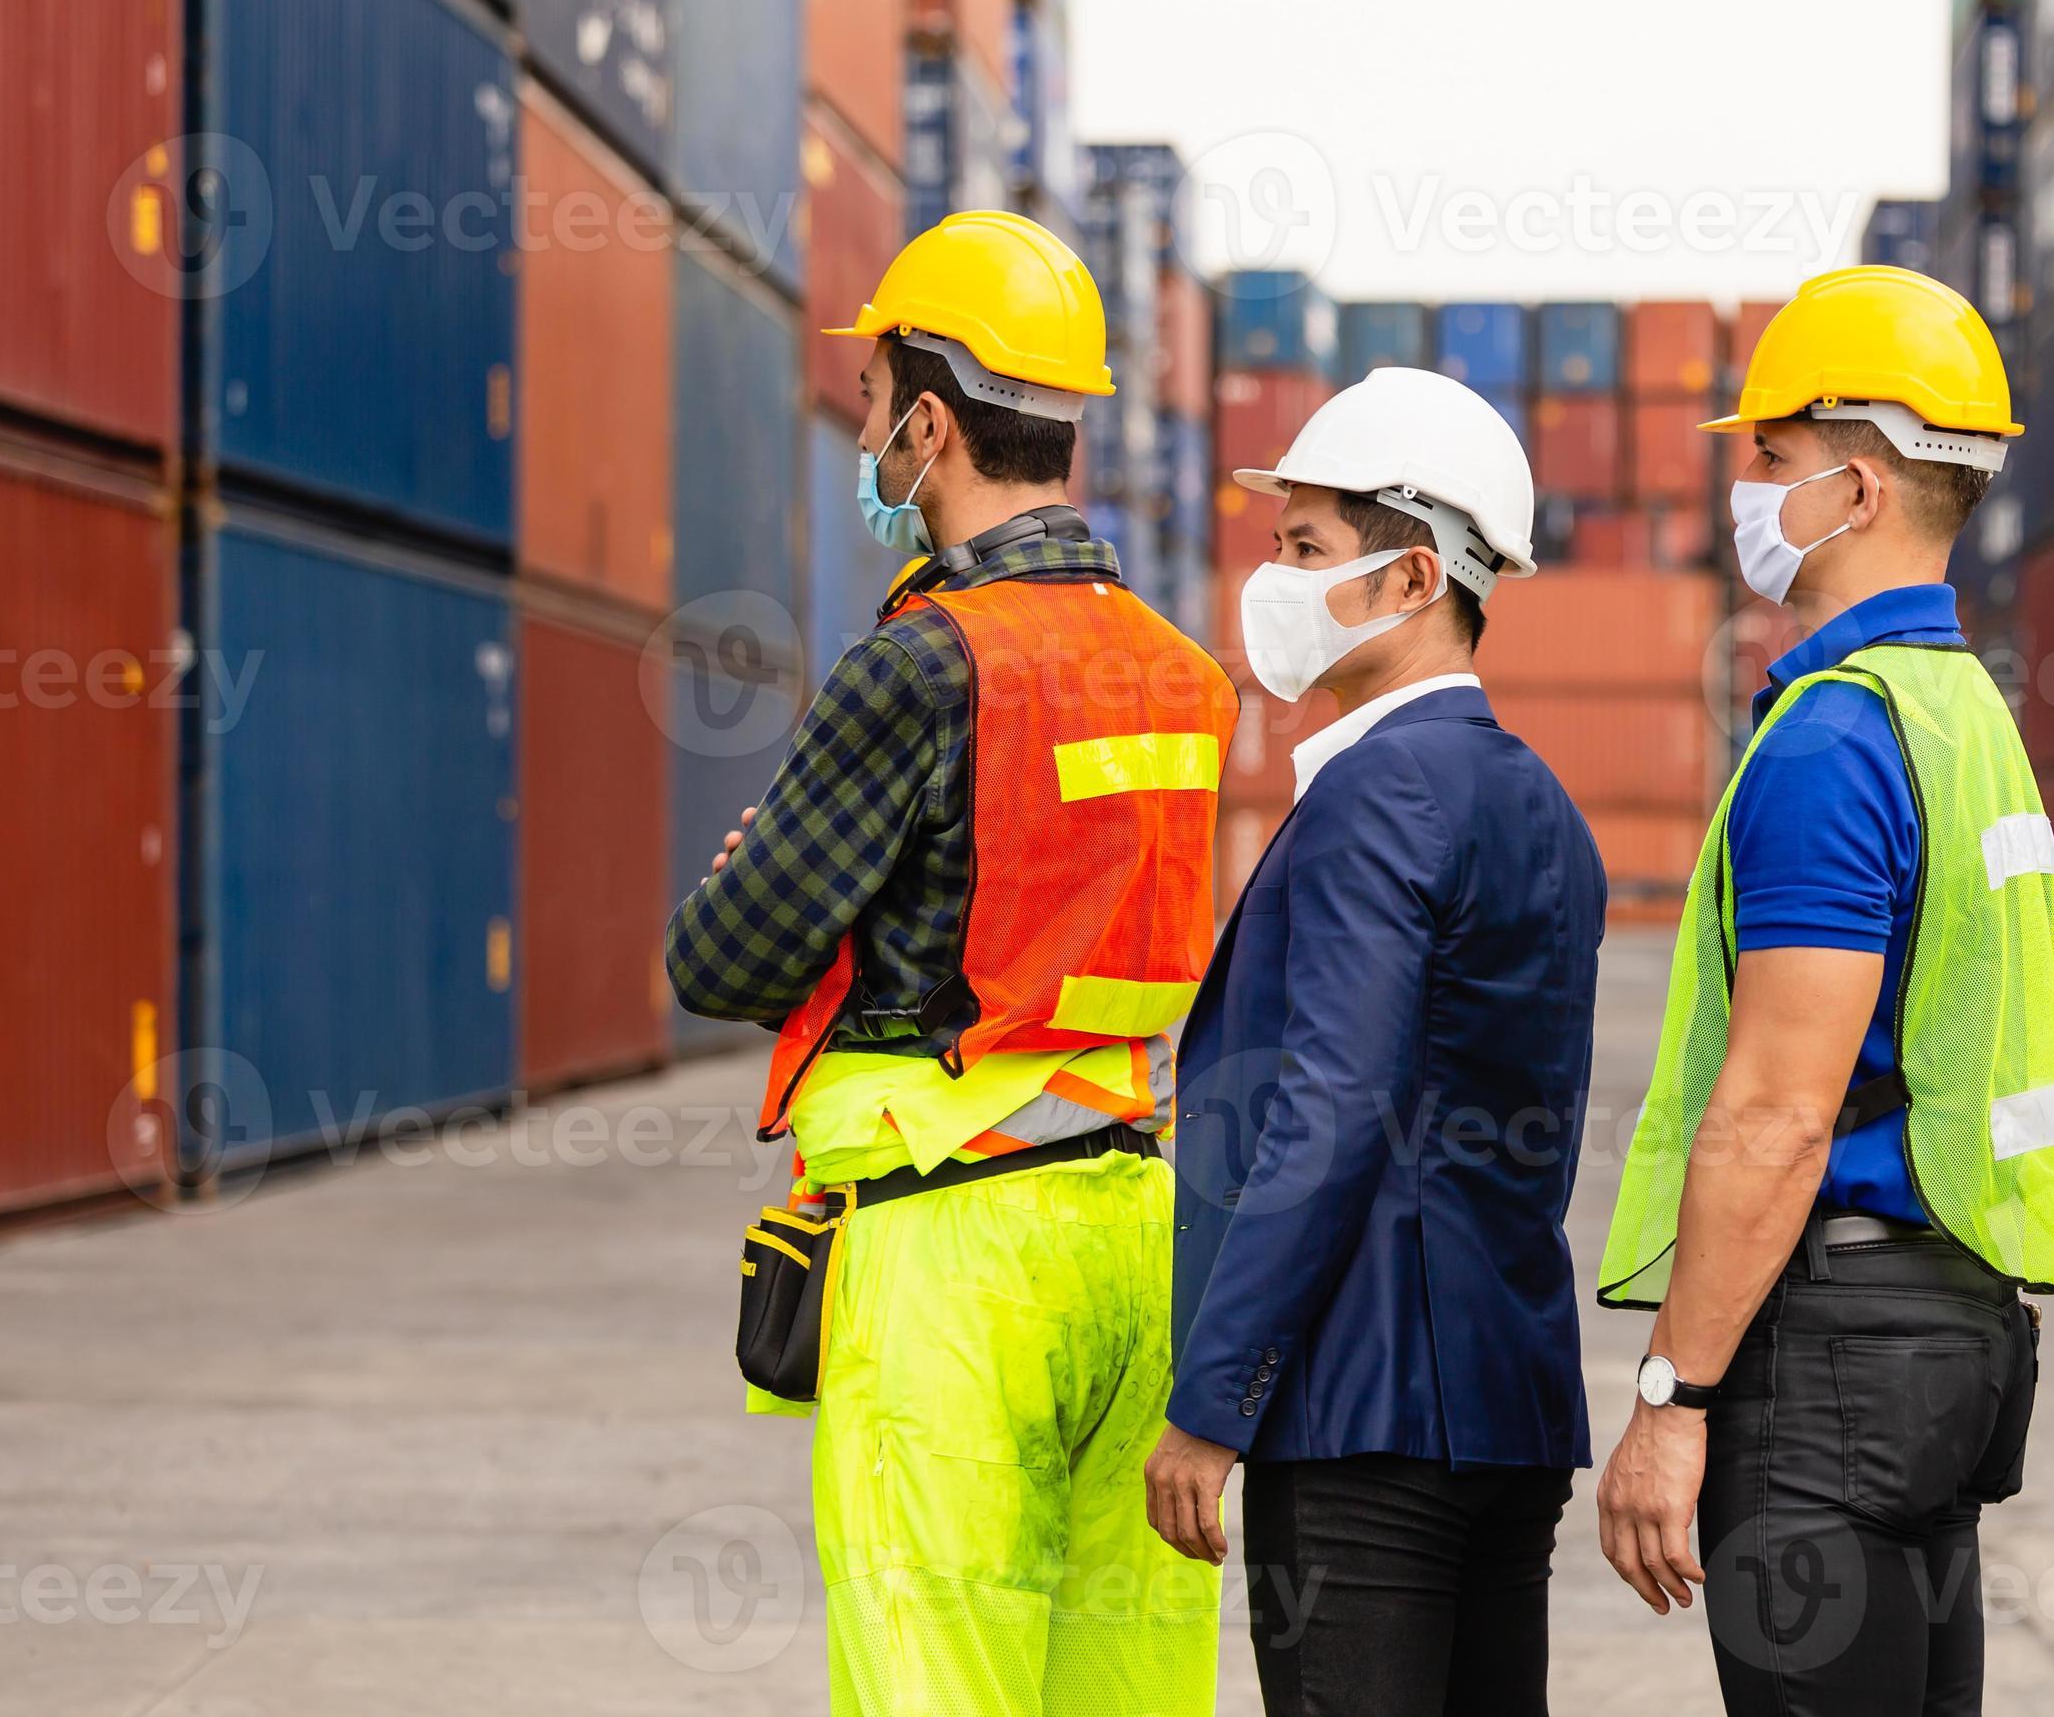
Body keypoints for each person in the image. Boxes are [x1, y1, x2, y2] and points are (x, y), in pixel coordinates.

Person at [666, 211, 1233, 1717]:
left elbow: (719, 956)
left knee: (940, 1685)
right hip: (1136, 1234)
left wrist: (780, 888)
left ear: (928, 425)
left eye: (866, 405)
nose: (859, 437)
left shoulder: (923, 665)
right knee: (1125, 1682)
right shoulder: (1178, 673)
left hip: (953, 1258)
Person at [1594, 266, 2054, 1714]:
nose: (1745, 486)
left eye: (1771, 457)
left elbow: (1774, 1111)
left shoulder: (1830, 737)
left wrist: (1670, 1399)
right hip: (1957, 1336)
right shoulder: (1967, 715)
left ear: (1857, 488)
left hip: (1827, 1368)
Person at [1142, 367, 1608, 1717]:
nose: (1269, 577)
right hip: (1504, 1402)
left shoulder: (1372, 796)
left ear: (1411, 579)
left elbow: (1330, 1111)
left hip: (1358, 1419)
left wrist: (1214, 1400)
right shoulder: (1540, 807)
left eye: (1302, 548)